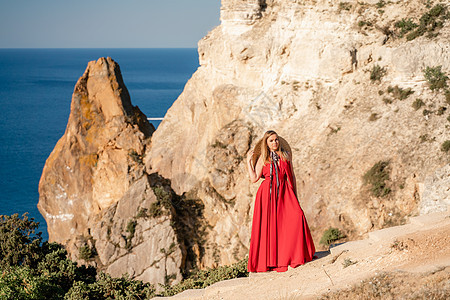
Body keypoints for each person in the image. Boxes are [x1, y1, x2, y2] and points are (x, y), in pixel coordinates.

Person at [246, 130, 316, 272]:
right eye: (271, 141)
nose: (274, 143)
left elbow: (292, 176)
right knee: (271, 227)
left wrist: (295, 195)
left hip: (285, 192)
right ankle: (275, 260)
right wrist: (248, 162)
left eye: (276, 140)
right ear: (266, 143)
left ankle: (295, 255)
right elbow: (254, 178)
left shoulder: (286, 155)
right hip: (267, 195)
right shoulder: (263, 159)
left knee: (297, 217)